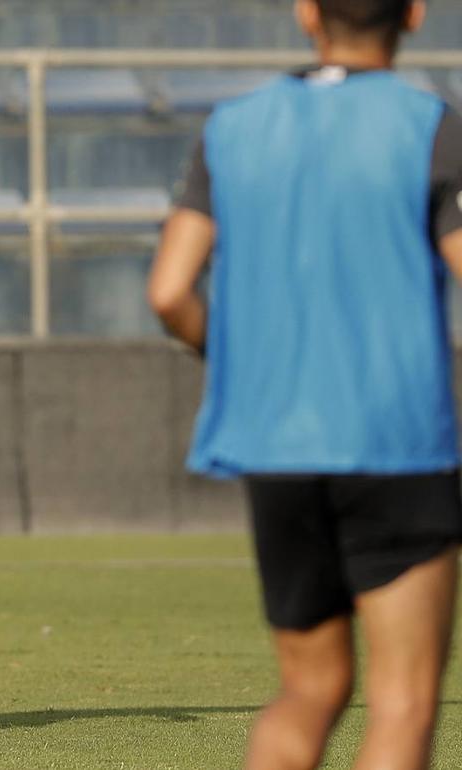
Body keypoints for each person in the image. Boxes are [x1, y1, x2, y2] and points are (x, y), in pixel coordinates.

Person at [148, 2, 462, 767]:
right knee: (403, 706)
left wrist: (247, 367)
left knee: (309, 693)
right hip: (397, 445)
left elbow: (169, 293)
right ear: (415, 15)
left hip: (276, 445)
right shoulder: (434, 127)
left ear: (306, 15)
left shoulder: (232, 128)